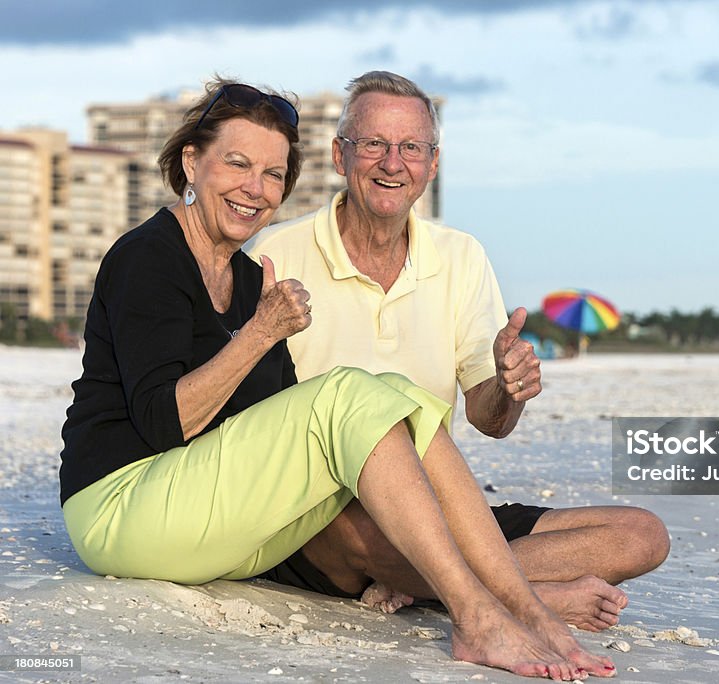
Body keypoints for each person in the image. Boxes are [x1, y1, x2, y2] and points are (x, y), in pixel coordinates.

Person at [59, 78, 615, 680]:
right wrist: (260, 333)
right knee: (353, 390)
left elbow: (266, 420)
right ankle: (477, 615)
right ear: (191, 162)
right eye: (238, 164)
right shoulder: (150, 254)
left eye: (274, 175)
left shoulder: (249, 279)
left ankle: (525, 607)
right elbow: (165, 422)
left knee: (394, 394)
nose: (256, 188)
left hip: (210, 520)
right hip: (120, 509)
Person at [247, 71, 670, 631]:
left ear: (433, 163)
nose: (392, 162)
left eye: (411, 147)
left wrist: (509, 386)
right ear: (339, 156)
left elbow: (489, 419)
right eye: (373, 144)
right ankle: (528, 598)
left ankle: (433, 582)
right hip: (318, 512)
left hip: (437, 508)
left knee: (642, 534)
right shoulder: (277, 251)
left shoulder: (461, 255)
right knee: (361, 525)